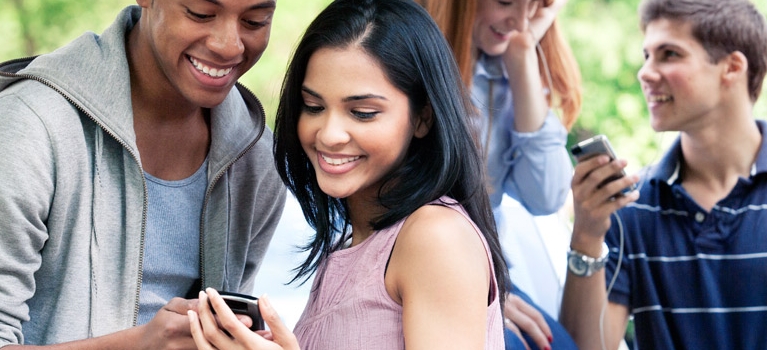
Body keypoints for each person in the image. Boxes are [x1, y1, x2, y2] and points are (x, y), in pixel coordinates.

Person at [187, 0, 510, 348]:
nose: (328, 134)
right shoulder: (354, 242)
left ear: (423, 118)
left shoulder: (435, 237)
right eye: (314, 107)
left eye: (363, 112)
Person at [0, 0, 286, 348]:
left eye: (255, 21)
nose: (229, 45)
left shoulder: (255, 159)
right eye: (200, 14)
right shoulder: (29, 127)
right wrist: (141, 344)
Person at [559, 0, 767, 349]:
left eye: (669, 54)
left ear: (731, 67)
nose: (645, 72)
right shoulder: (629, 209)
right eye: (646, 56)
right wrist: (586, 237)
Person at [416, 0, 581, 349]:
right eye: (506, 2)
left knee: (560, 344)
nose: (521, 22)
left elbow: (546, 196)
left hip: (485, 266)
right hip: (418, 263)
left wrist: (522, 60)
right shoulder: (407, 55)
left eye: (535, 7)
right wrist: (474, 292)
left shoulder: (503, 66)